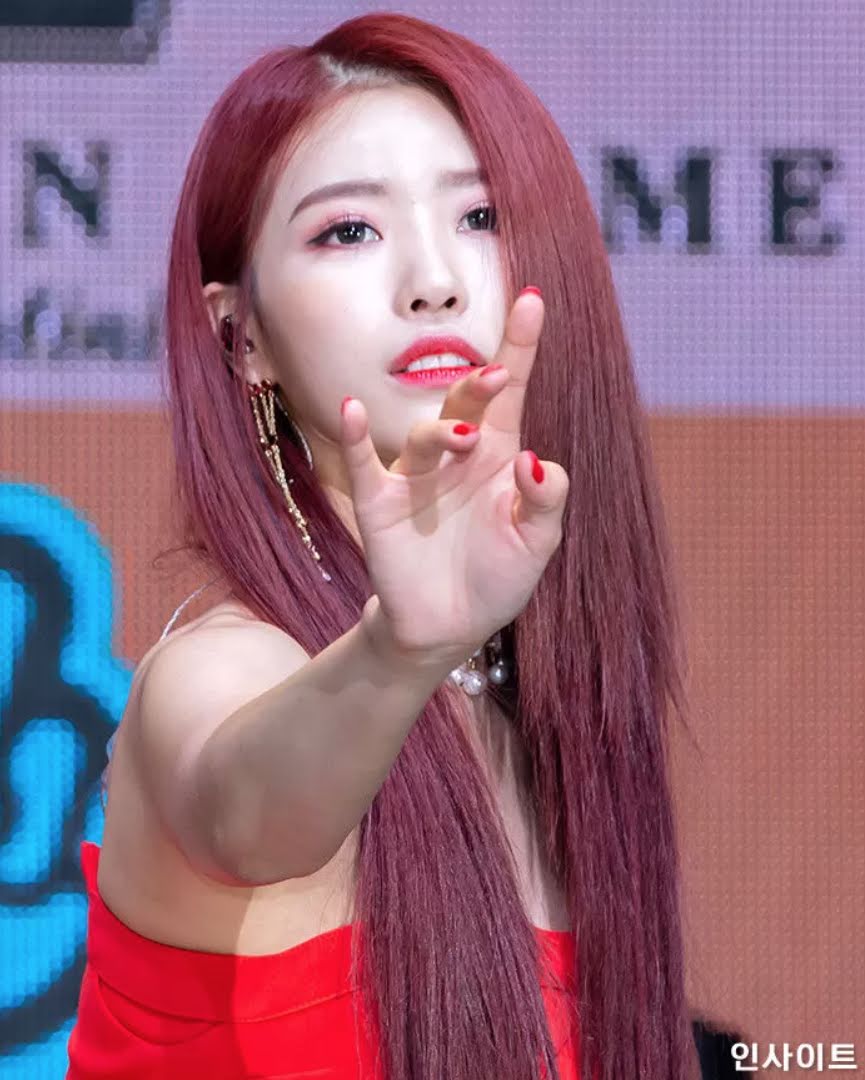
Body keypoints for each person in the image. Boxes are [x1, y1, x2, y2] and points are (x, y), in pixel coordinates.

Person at [66, 11, 701, 1080]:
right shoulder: (220, 671)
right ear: (241, 336)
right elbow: (253, 817)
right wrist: (401, 650)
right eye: (348, 232)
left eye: (480, 216)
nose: (432, 278)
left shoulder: (545, 715)